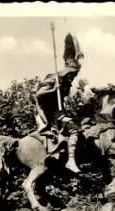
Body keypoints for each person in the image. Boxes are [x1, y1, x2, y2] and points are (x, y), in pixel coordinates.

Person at [34, 33, 83, 174]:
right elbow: (38, 94)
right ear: (68, 73)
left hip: (58, 112)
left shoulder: (66, 83)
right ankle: (71, 161)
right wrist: (54, 89)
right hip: (49, 113)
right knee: (74, 129)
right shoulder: (54, 79)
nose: (73, 78)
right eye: (72, 75)